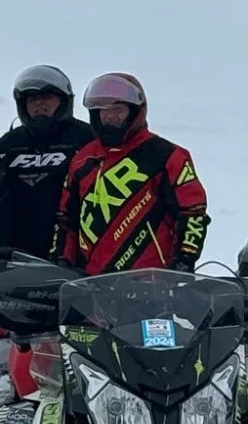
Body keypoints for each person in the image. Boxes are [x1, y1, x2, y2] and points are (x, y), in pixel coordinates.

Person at [55, 72, 208, 275]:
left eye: (118, 109)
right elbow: (67, 220)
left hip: (154, 281)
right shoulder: (82, 160)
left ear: (135, 111)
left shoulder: (167, 155)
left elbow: (193, 213)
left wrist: (184, 261)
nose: (109, 116)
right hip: (90, 284)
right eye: (102, 110)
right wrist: (61, 262)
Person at [0, 66, 93, 258]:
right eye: (32, 99)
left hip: (72, 248)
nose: (39, 104)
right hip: (14, 249)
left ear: (63, 100)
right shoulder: (9, 143)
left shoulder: (86, 138)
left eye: (46, 97)